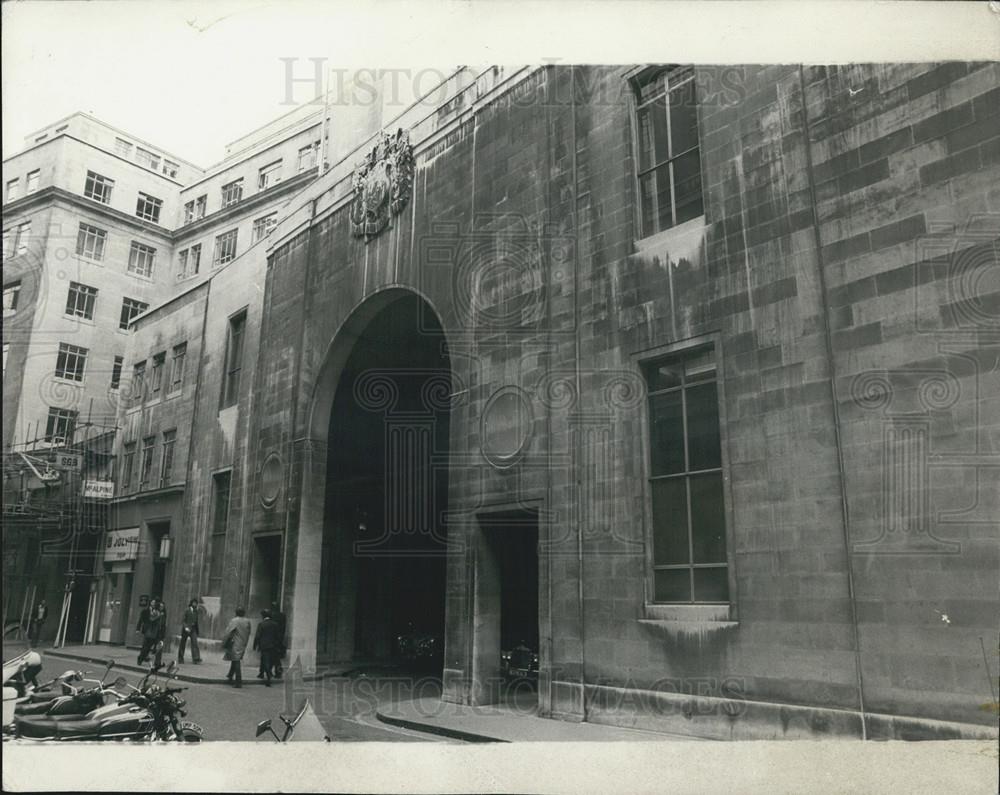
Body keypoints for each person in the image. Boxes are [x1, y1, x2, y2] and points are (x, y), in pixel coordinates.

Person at [222, 606, 252, 688]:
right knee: (235, 659)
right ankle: (230, 675)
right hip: (243, 643)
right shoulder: (247, 621)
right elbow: (249, 632)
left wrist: (224, 642)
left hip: (235, 642)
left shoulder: (234, 620)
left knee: (236, 661)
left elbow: (228, 632)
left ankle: (238, 681)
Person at [252, 609, 282, 686]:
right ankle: (261, 673)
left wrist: (255, 645)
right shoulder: (275, 624)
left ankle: (268, 676)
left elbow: (258, 636)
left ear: (263, 616)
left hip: (264, 645)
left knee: (265, 660)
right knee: (267, 659)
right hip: (273, 645)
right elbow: (278, 636)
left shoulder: (261, 624)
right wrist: (277, 644)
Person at [136, 599, 166, 668]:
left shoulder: (163, 614)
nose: (161, 608)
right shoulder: (155, 612)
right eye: (160, 606)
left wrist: (163, 633)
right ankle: (140, 658)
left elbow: (163, 624)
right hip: (151, 633)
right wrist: (158, 615)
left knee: (159, 647)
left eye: (162, 607)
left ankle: (157, 662)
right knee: (146, 647)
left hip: (158, 633)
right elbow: (151, 619)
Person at [177, 598, 202, 664]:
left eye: (196, 603)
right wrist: (185, 627)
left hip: (193, 629)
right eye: (194, 603)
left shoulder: (196, 611)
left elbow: (196, 621)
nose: (195, 604)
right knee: (183, 643)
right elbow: (183, 620)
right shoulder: (187, 610)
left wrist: (197, 630)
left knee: (194, 643)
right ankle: (180, 658)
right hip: (186, 629)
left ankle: (196, 658)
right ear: (191, 603)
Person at [269, 601, 286, 679]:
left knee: (273, 656)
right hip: (279, 638)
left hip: (272, 638)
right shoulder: (283, 615)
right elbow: (283, 628)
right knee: (275, 655)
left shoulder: (271, 615)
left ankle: (274, 671)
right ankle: (276, 671)